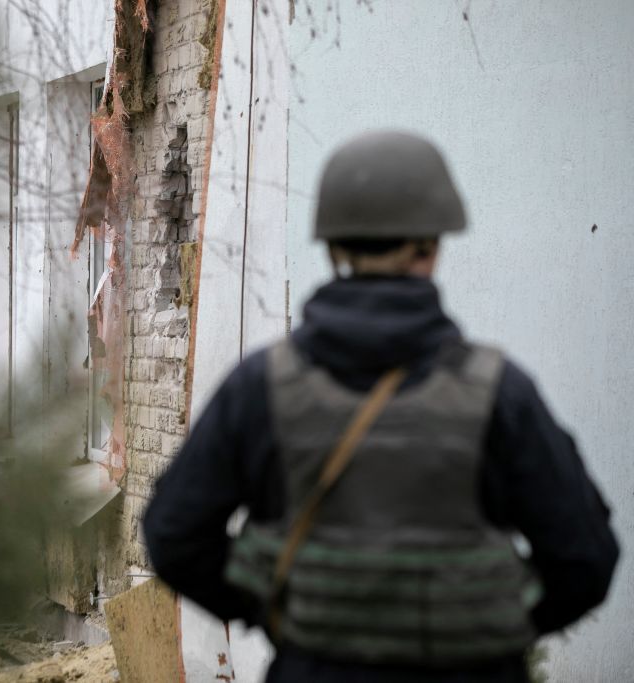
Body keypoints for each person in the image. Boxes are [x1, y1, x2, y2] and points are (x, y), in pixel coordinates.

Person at [142, 131, 619, 682]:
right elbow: (586, 559)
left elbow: (173, 535)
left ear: (334, 248)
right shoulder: (500, 393)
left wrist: (275, 608)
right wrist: (489, 626)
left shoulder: (259, 388)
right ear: (431, 244)